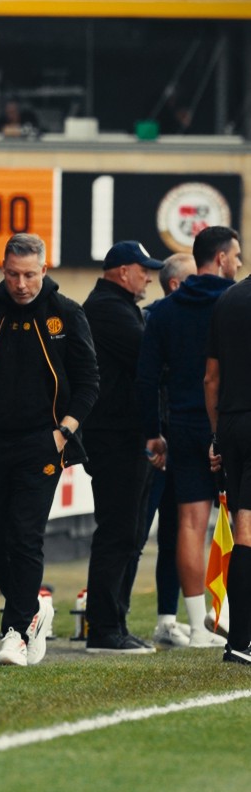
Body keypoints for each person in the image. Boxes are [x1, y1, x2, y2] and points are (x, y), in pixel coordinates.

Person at [0, 233, 99, 666]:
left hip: (42, 443)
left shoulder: (66, 313)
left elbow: (89, 382)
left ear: (44, 271)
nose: (21, 284)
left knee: (25, 534)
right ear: (3, 269)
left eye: (30, 275)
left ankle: (15, 631)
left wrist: (63, 433)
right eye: (13, 275)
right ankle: (33, 606)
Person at [137, 227, 241, 650]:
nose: (238, 263)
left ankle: (198, 626)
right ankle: (237, 620)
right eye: (235, 256)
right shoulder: (237, 303)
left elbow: (145, 380)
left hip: (182, 424)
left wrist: (153, 434)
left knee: (190, 523)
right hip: (232, 421)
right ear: (219, 258)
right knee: (245, 520)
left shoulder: (163, 311)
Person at [82, 240, 164, 654]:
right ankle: (103, 629)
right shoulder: (107, 310)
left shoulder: (117, 307)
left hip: (124, 434)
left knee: (128, 533)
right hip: (114, 437)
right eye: (142, 269)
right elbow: (151, 357)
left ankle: (115, 621)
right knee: (118, 531)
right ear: (120, 271)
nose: (148, 276)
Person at [135, 252, 196, 649]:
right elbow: (147, 383)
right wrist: (154, 433)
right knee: (135, 531)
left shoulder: (181, 320)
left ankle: (166, 618)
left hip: (179, 440)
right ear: (176, 285)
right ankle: (108, 616)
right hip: (156, 443)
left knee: (175, 532)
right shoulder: (152, 321)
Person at [205, 270, 251, 664]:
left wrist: (217, 436)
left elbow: (211, 378)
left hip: (233, 424)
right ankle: (241, 643)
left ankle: (239, 640)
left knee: (243, 532)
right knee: (248, 534)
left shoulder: (228, 300)